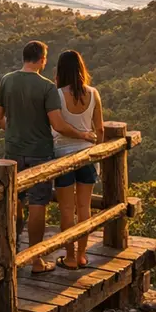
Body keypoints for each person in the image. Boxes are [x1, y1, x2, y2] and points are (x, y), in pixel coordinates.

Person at [0, 40, 97, 275]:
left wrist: (13, 130)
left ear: (24, 57)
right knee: (38, 204)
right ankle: (36, 260)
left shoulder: (7, 80)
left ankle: (11, 251)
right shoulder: (47, 87)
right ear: (42, 60)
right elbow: (58, 125)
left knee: (14, 202)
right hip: (40, 153)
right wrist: (83, 134)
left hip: (13, 152)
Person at [52, 49, 103, 270]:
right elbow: (99, 129)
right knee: (84, 208)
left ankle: (70, 257)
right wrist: (96, 148)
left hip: (63, 155)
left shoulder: (58, 95)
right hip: (87, 156)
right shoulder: (93, 93)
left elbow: (56, 126)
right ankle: (82, 256)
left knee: (66, 209)